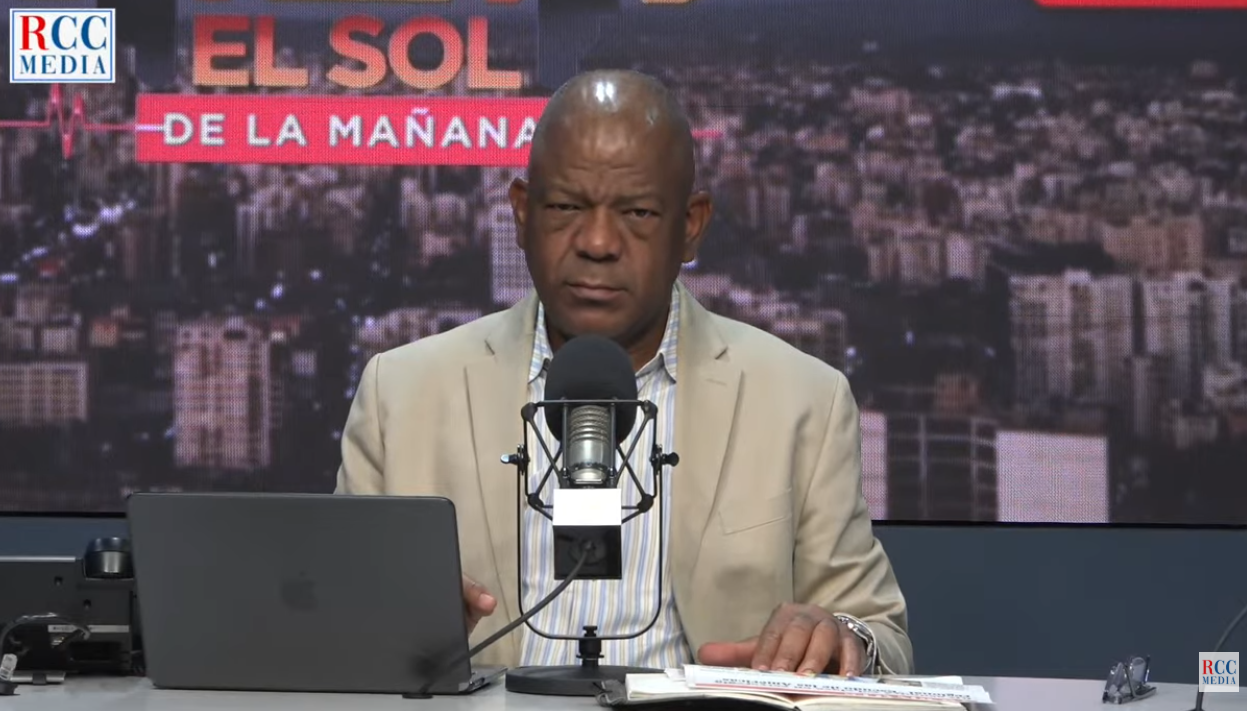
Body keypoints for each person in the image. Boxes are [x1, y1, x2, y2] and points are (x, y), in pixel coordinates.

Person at [335, 69, 913, 677]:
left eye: (637, 212)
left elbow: (882, 636)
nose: (598, 242)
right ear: (522, 213)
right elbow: (331, 621)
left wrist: (840, 638)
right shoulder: (401, 392)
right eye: (566, 208)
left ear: (691, 226)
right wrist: (380, 622)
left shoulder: (802, 399)